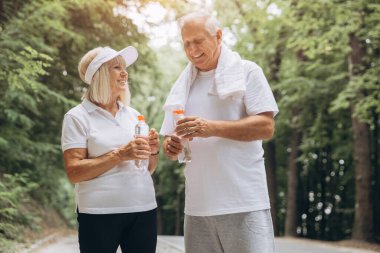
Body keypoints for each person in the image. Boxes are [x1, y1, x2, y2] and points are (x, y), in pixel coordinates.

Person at [160, 12, 279, 253]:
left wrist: (211, 128)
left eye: (198, 41)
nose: (192, 50)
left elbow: (266, 127)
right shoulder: (183, 85)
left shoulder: (248, 72)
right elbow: (170, 144)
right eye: (186, 43)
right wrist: (171, 147)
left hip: (243, 202)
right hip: (198, 207)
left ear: (218, 36)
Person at [61, 46, 159, 253]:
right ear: (100, 75)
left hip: (144, 209)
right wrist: (120, 154)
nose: (125, 73)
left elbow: (147, 169)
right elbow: (74, 171)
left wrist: (152, 151)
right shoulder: (77, 117)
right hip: (99, 213)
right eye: (117, 67)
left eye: (124, 68)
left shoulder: (134, 115)